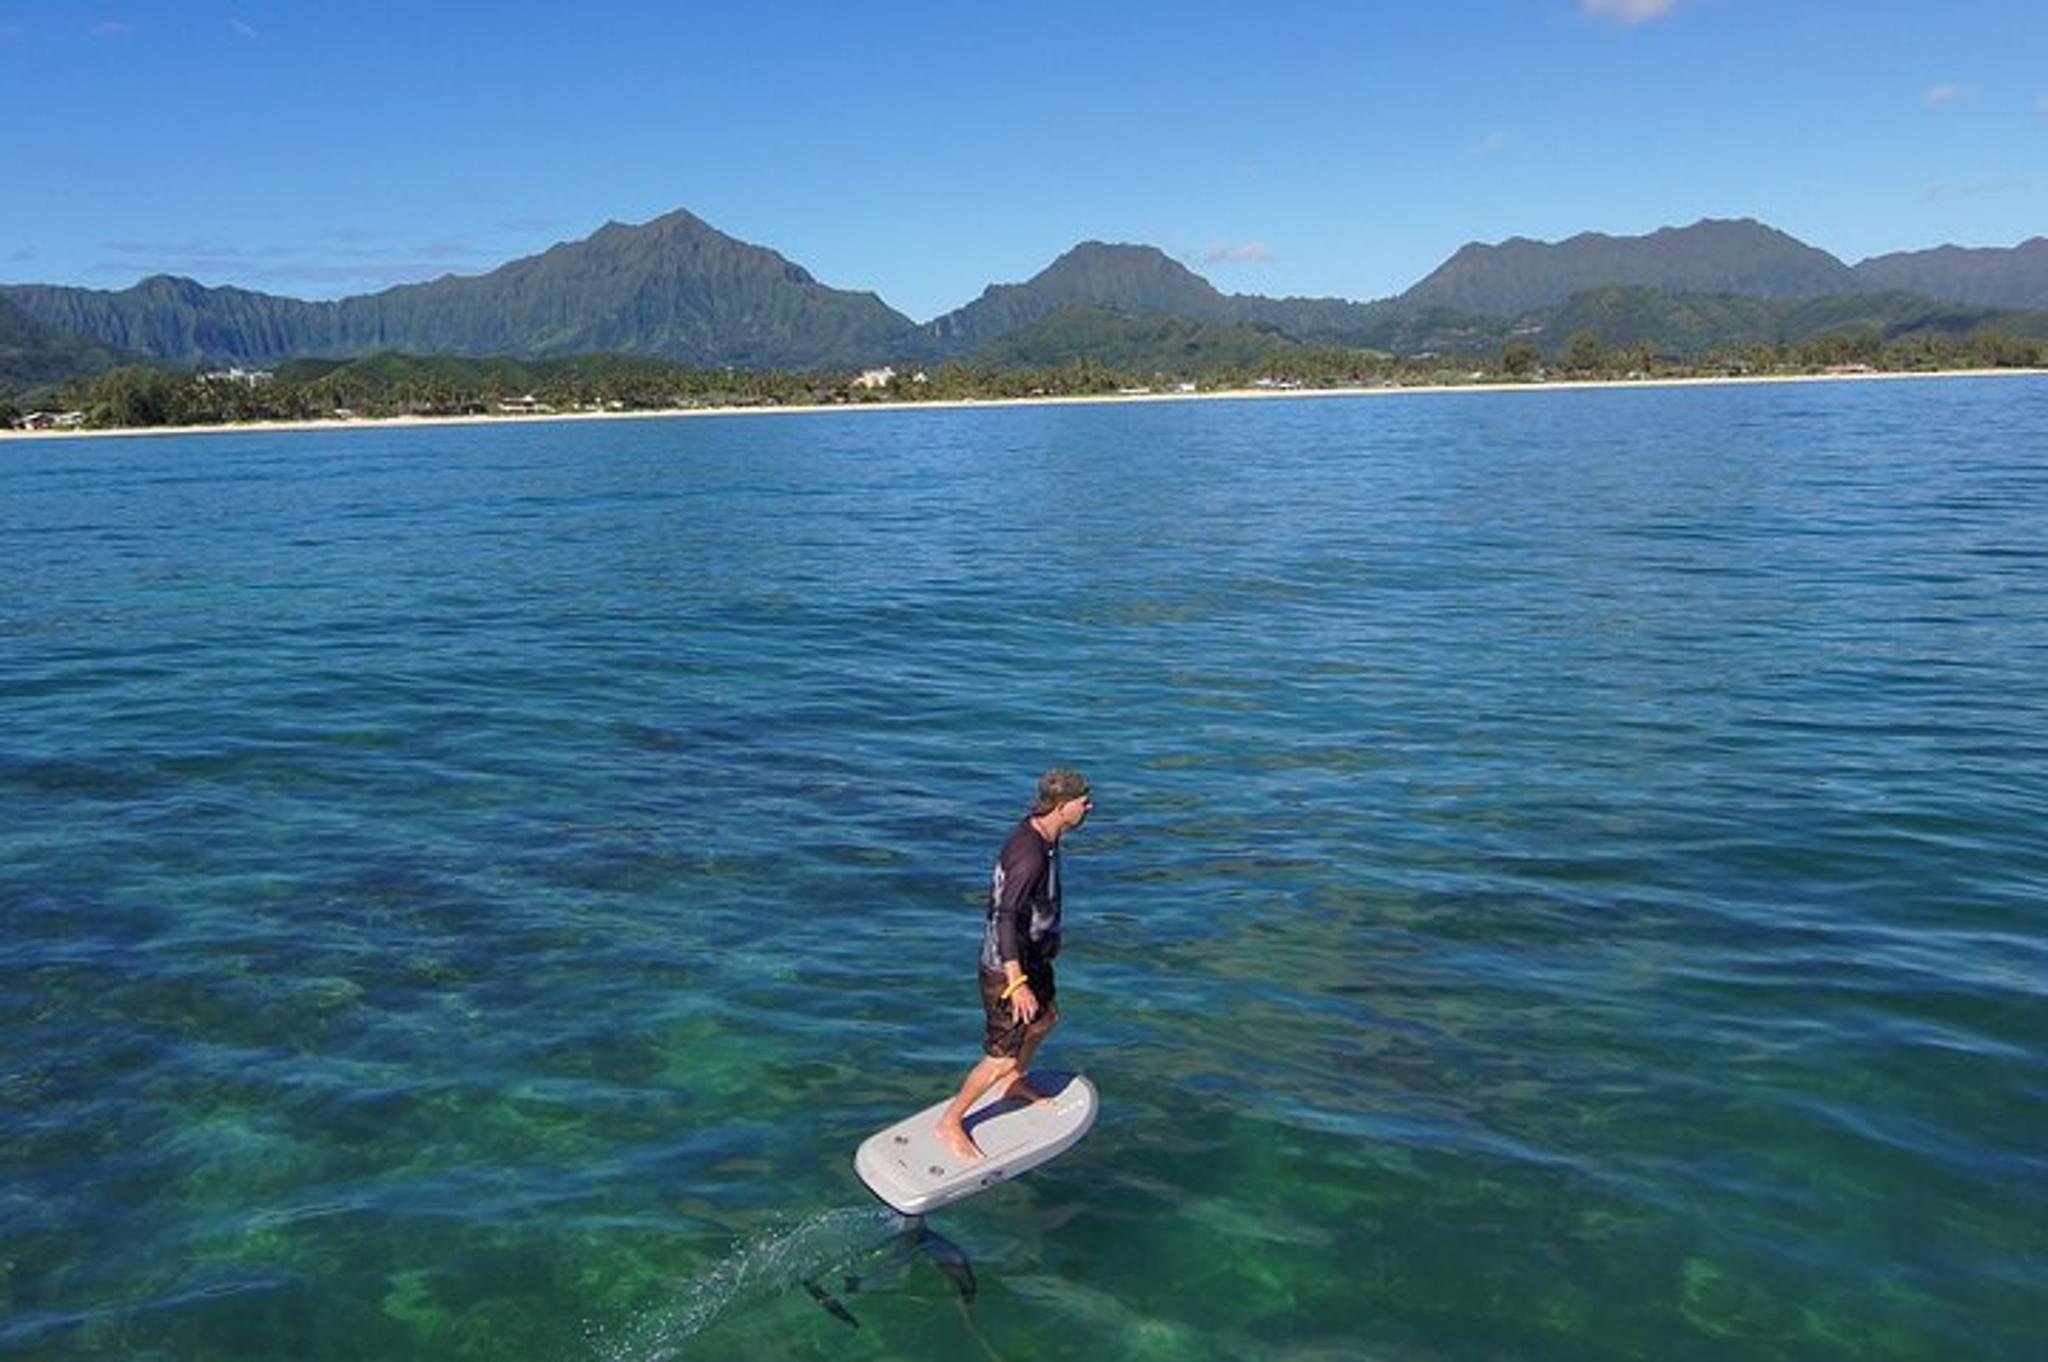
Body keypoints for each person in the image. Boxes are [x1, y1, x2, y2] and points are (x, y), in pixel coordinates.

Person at [934, 767, 1093, 1163]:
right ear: (1061, 806)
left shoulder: (1043, 835)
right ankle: (952, 1120)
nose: (1089, 805)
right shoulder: (1030, 855)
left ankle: (1012, 1083)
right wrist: (1016, 980)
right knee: (1000, 1054)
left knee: (1044, 1020)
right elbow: (1005, 917)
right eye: (1082, 799)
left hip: (1033, 960)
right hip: (1007, 969)